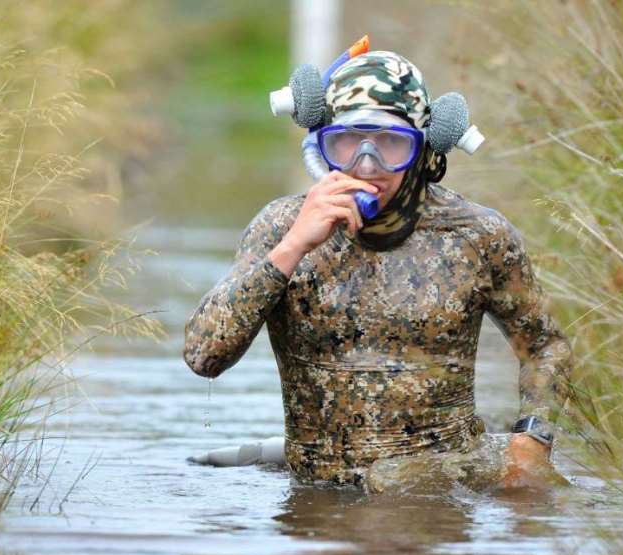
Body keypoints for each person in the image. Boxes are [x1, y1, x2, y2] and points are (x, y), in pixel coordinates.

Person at [183, 51, 572, 492]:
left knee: (406, 491)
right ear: (319, 146)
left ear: (425, 146)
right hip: (316, 499)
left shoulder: (478, 235)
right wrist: (292, 247)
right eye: (347, 141)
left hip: (439, 498)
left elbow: (544, 346)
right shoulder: (280, 227)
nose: (367, 165)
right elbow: (204, 356)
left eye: (391, 143)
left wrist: (533, 439)